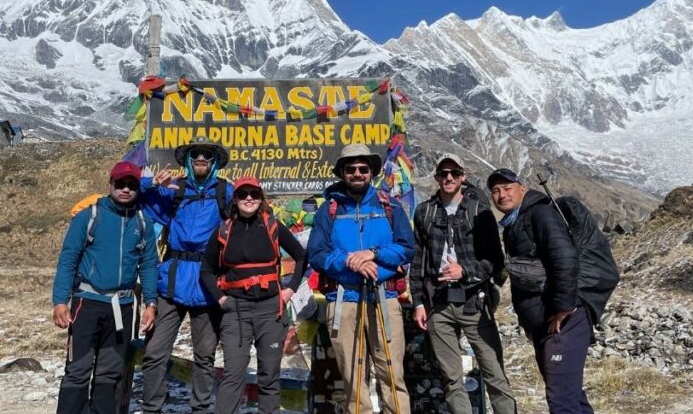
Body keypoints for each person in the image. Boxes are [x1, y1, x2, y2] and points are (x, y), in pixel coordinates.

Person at [306, 143, 414, 414]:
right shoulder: (328, 210)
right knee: (354, 379)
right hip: (344, 300)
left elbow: (406, 248)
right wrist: (349, 261)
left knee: (392, 375)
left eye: (363, 168)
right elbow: (317, 254)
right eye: (350, 168)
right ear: (342, 172)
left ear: (371, 172)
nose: (357, 173)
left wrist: (373, 255)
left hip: (384, 298)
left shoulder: (390, 206)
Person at [410, 153, 516, 414]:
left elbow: (494, 260)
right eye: (443, 173)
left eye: (454, 173)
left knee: (494, 372)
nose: (449, 178)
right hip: (438, 304)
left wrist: (464, 271)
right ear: (436, 177)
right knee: (451, 378)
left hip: (475, 302)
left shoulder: (479, 211)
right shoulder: (424, 211)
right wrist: (418, 302)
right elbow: (417, 261)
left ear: (463, 177)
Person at [51, 161, 158, 414]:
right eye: (120, 184)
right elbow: (68, 260)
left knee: (109, 375)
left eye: (131, 185)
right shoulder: (89, 217)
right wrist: (60, 301)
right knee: (77, 371)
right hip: (87, 304)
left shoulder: (143, 223)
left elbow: (149, 265)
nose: (125, 189)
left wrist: (151, 303)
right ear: (110, 184)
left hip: (123, 308)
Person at [487, 168, 593, 414]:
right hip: (545, 323)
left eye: (507, 187)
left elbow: (564, 257)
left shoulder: (540, 214)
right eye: (495, 190)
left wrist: (563, 307)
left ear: (522, 189)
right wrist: (531, 324)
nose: (502, 194)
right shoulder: (515, 223)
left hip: (564, 320)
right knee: (570, 395)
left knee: (561, 401)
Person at [140, 137, 233, 414]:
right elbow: (135, 198)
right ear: (189, 160)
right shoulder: (174, 189)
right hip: (171, 281)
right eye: (195, 154)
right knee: (155, 352)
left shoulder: (225, 191)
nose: (200, 158)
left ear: (214, 161)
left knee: (204, 355)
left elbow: (250, 210)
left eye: (206, 154)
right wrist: (152, 184)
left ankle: (200, 409)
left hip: (207, 283)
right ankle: (151, 407)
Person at [201, 176, 307, 414]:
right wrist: (221, 299)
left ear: (261, 198)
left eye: (254, 194)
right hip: (236, 311)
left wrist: (290, 289)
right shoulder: (223, 230)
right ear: (235, 198)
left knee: (269, 376)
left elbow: (301, 256)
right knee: (233, 375)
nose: (248, 198)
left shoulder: (272, 226)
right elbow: (206, 270)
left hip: (271, 310)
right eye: (242, 194)